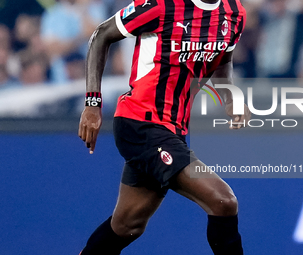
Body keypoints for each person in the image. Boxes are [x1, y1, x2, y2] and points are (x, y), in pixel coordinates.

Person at [78, 0, 251, 254]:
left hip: (174, 130)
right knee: (223, 201)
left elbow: (223, 60)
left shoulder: (234, 13)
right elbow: (101, 34)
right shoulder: (161, 4)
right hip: (140, 123)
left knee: (128, 225)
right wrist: (93, 103)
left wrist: (229, 95)